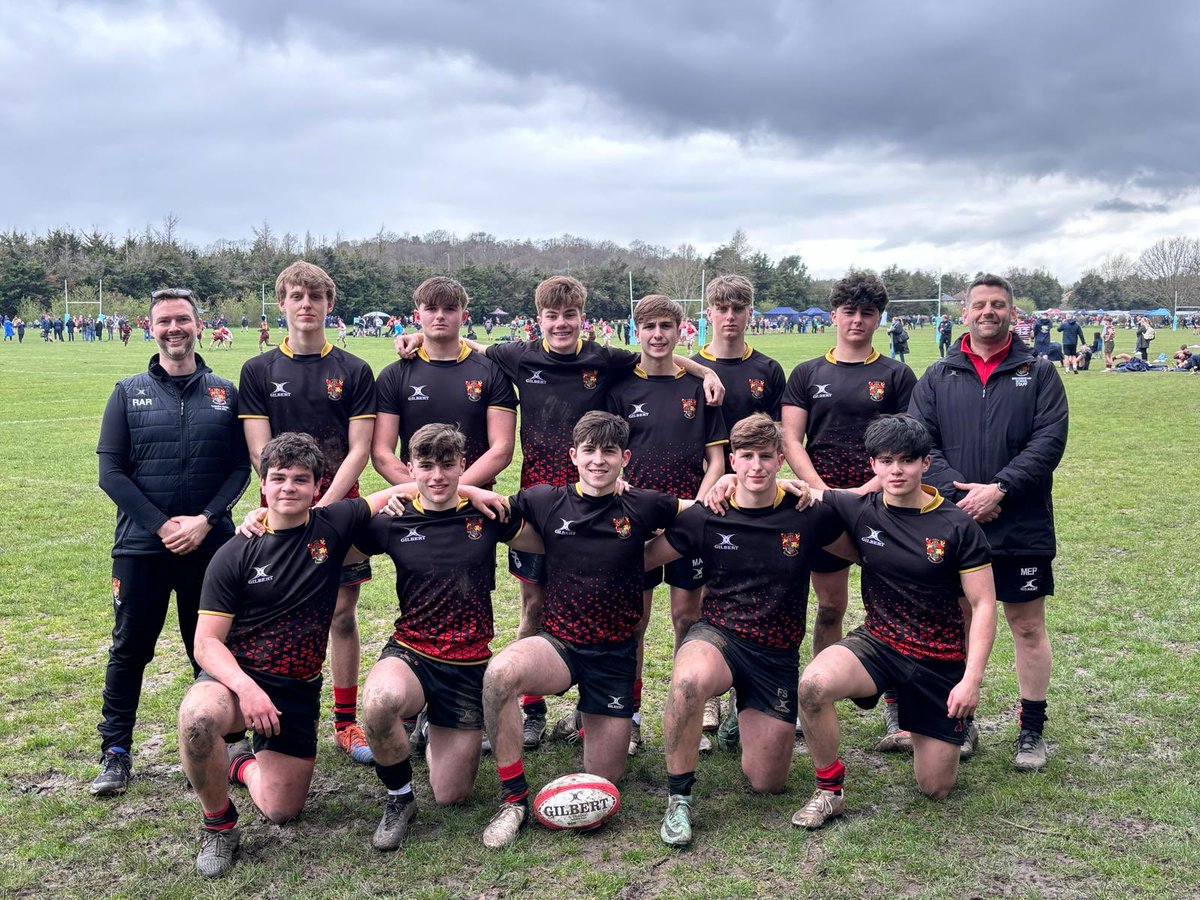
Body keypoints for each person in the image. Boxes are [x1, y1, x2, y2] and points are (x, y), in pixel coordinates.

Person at [395, 276, 723, 748]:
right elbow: (467, 341)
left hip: (597, 500)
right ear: (540, 320)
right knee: (534, 606)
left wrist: (703, 372)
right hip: (539, 503)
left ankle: (605, 708)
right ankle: (533, 710)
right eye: (552, 316)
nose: (562, 324)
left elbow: (658, 355)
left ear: (582, 319)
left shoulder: (603, 357)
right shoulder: (517, 355)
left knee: (610, 611)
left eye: (570, 315)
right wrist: (417, 337)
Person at [177, 433, 409, 877]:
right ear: (261, 485)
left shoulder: (333, 524)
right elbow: (206, 643)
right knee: (198, 718)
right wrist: (246, 691)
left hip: (297, 691)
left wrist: (448, 494)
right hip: (237, 681)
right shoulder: (235, 552)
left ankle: (241, 761)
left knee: (282, 811)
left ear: (318, 487)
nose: (288, 487)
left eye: (300, 479)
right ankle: (218, 825)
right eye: (277, 478)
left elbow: (404, 489)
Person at [479, 412, 683, 849]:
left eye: (609, 451)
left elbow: (698, 515)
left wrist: (649, 556)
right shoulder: (544, 499)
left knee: (604, 781)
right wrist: (416, 493)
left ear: (625, 458)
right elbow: (487, 508)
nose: (598, 460)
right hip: (560, 645)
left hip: (613, 657)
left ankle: (588, 722)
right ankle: (513, 799)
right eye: (589, 450)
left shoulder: (643, 504)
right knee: (499, 675)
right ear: (573, 455)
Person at [644, 414, 850, 846]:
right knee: (687, 682)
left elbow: (867, 547)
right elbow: (643, 558)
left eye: (766, 457)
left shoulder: (807, 513)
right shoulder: (709, 513)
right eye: (747, 457)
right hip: (720, 636)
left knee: (766, 783)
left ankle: (744, 710)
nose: (756, 467)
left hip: (775, 655)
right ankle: (678, 799)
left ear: (781, 460)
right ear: (732, 460)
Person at [791, 414, 997, 829]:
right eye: (885, 461)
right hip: (880, 642)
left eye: (906, 461)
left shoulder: (957, 525)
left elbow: (984, 604)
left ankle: (939, 727)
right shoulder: (860, 507)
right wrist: (730, 482)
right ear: (873, 465)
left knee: (935, 787)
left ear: (925, 463)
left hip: (937, 660)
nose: (896, 470)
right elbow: (797, 491)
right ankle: (829, 791)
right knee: (812, 686)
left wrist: (971, 679)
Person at [92, 287, 250, 797]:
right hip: (141, 547)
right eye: (164, 321)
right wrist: (162, 526)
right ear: (151, 327)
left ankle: (226, 743)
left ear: (199, 325)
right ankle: (115, 750)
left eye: (183, 319)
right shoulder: (127, 390)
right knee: (130, 648)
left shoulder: (224, 391)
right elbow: (110, 472)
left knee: (209, 650)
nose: (174, 328)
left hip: (210, 547)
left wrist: (205, 520)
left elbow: (241, 468)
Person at [908, 273, 1068, 771]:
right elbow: (919, 443)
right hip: (955, 524)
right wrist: (963, 496)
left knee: (1026, 626)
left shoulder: (1038, 371)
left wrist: (999, 488)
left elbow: (1049, 442)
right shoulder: (937, 374)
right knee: (957, 622)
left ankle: (1031, 730)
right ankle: (961, 720)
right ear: (965, 313)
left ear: (1012, 313)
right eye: (979, 304)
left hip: (1020, 523)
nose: (988, 312)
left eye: (998, 305)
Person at [357, 424, 530, 851]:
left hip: (469, 664)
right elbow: (322, 538)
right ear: (410, 468)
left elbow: (551, 534)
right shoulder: (392, 520)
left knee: (451, 795)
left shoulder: (487, 515)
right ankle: (398, 798)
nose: (437, 476)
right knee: (379, 703)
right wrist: (262, 517)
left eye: (447, 466)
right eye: (426, 466)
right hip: (412, 651)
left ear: (462, 467)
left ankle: (431, 725)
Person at [238, 261, 378, 764]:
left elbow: (359, 448)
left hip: (339, 511)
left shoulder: (354, 369)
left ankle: (345, 723)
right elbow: (260, 451)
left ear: (328, 304)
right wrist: (289, 504)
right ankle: (264, 714)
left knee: (341, 614)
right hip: (278, 512)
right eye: (296, 296)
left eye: (315, 297)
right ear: (281, 304)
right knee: (271, 615)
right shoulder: (257, 370)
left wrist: (325, 505)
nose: (306, 305)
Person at [780, 272, 917, 748]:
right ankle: (817, 700)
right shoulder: (807, 373)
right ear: (834, 314)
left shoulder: (897, 375)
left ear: (879, 319)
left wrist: (868, 488)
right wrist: (824, 492)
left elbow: (909, 443)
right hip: (821, 507)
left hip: (884, 505)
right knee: (831, 605)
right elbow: (790, 440)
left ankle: (900, 709)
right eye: (849, 311)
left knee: (896, 607)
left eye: (867, 313)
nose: (857, 321)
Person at [608, 295, 728, 754]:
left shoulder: (700, 388)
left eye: (666, 326)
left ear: (681, 330)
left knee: (687, 618)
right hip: (636, 523)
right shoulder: (620, 388)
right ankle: (631, 714)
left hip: (688, 523)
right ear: (636, 331)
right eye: (649, 326)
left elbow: (716, 461)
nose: (657, 334)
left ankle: (688, 710)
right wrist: (642, 512)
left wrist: (692, 513)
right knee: (633, 621)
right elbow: (612, 460)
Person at [688, 274, 784, 738]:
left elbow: (781, 438)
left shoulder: (767, 369)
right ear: (708, 313)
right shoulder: (687, 366)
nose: (729, 317)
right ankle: (707, 698)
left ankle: (751, 695)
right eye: (721, 309)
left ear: (749, 313)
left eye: (738, 309)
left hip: (754, 505)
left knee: (748, 598)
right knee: (695, 602)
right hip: (703, 501)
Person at [374, 277, 516, 493]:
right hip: (415, 500)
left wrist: (454, 492)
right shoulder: (394, 375)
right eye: (431, 308)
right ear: (417, 315)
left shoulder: (492, 372)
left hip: (475, 499)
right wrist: (423, 492)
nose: (440, 315)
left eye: (449, 309)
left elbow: (502, 449)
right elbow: (381, 453)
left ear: (464, 316)